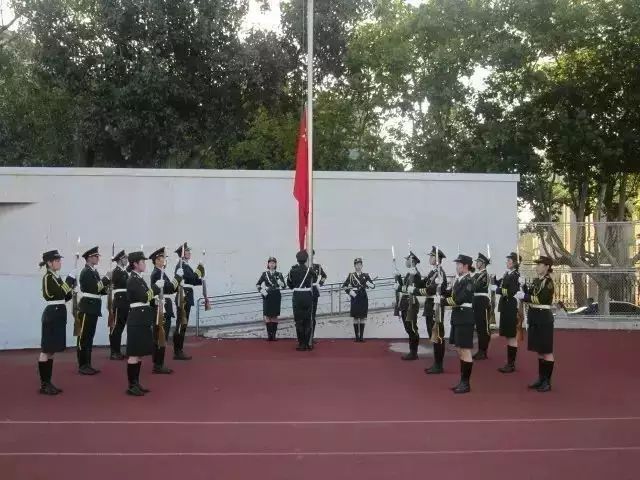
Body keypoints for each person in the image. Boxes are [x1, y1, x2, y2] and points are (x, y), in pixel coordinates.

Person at [38, 250, 76, 395]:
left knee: (52, 350)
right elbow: (55, 294)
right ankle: (44, 384)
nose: (60, 262)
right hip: (52, 314)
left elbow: (65, 296)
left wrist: (72, 287)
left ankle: (49, 382)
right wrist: (70, 280)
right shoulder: (48, 277)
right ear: (49, 262)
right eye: (57, 260)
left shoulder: (56, 277)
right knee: (46, 349)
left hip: (59, 313)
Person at [516, 256, 556, 392]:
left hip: (544, 318)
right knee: (539, 350)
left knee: (547, 351)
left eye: (539, 264)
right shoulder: (536, 281)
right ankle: (541, 378)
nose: (537, 267)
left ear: (546, 267)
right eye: (537, 264)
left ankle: (547, 382)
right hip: (535, 317)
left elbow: (541, 298)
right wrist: (523, 287)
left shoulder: (548, 282)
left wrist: (525, 297)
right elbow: (530, 294)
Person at [442, 254, 476, 394]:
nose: (456, 267)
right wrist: (441, 287)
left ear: (466, 266)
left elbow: (460, 299)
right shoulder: (458, 280)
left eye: (459, 264)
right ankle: (462, 380)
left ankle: (466, 383)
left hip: (465, 317)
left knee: (465, 350)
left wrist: (443, 301)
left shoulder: (469, 281)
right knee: (460, 350)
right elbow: (450, 294)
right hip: (458, 317)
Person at [411, 247, 447, 373]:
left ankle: (439, 365)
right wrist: (414, 273)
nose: (430, 258)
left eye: (432, 256)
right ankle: (436, 363)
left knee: (437, 336)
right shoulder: (432, 273)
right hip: (430, 305)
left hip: (435, 306)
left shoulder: (439, 273)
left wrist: (414, 291)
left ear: (437, 259)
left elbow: (430, 290)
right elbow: (421, 283)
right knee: (433, 335)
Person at [76, 246, 110, 375]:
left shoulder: (94, 271)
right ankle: (82, 364)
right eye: (96, 256)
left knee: (89, 337)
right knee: (83, 337)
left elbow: (100, 290)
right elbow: (94, 288)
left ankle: (88, 363)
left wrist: (107, 287)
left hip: (93, 307)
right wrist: (106, 279)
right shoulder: (86, 272)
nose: (98, 258)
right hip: (86, 307)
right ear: (89, 258)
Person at [149, 247, 184, 374]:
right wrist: (178, 277)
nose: (164, 260)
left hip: (164, 307)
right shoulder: (157, 273)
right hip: (161, 308)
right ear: (157, 260)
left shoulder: (160, 272)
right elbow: (169, 288)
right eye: (162, 258)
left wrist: (177, 280)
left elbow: (171, 288)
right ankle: (158, 364)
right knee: (161, 336)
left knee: (161, 336)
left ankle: (158, 363)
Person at [124, 251, 154, 396]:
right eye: (142, 261)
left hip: (142, 319)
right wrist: (155, 289)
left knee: (140, 353)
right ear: (135, 264)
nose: (144, 264)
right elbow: (144, 297)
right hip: (136, 319)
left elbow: (147, 296)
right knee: (134, 354)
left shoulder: (139, 279)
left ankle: (136, 383)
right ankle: (131, 385)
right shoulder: (132, 280)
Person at [173, 243, 205, 360]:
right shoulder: (181, 266)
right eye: (187, 251)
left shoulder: (186, 266)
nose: (189, 253)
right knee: (181, 324)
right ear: (182, 254)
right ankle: (177, 351)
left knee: (183, 324)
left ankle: (179, 350)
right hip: (183, 297)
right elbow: (191, 277)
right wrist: (199, 269)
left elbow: (193, 280)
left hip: (187, 295)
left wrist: (201, 279)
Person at [491, 252, 521, 373]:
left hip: (510, 306)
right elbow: (501, 284)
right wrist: (493, 279)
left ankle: (511, 364)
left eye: (509, 261)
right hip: (505, 306)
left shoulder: (515, 275)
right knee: (508, 335)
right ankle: (509, 363)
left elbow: (510, 291)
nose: (507, 262)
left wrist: (497, 289)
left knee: (511, 335)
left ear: (514, 263)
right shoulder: (507, 274)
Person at [286, 250, 318, 351]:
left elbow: (290, 284)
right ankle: (308, 344)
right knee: (307, 321)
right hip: (307, 295)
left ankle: (301, 344)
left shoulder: (292, 271)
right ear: (306, 259)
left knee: (298, 321)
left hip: (297, 296)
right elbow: (315, 280)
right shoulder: (310, 270)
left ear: (297, 259)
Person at [395, 251, 422, 360]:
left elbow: (414, 288)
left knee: (412, 328)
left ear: (412, 261)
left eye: (408, 260)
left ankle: (414, 352)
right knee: (408, 328)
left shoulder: (415, 274)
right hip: (405, 303)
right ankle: (412, 351)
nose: (406, 261)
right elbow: (403, 287)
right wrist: (398, 277)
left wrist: (401, 287)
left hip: (411, 303)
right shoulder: (409, 273)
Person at [342, 258, 375, 342]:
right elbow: (344, 286)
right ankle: (357, 337)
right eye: (356, 264)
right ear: (354, 266)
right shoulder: (351, 275)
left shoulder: (366, 275)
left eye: (360, 264)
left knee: (363, 317)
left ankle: (361, 337)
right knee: (356, 317)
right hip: (355, 297)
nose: (358, 266)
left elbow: (373, 286)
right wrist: (350, 292)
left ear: (362, 265)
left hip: (363, 297)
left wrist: (368, 284)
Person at [256, 257, 287, 341]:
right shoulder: (264, 274)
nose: (272, 264)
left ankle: (273, 335)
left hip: (276, 295)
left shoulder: (279, 274)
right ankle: (269, 335)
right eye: (270, 263)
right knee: (267, 315)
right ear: (268, 264)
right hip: (267, 295)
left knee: (274, 315)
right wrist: (262, 291)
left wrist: (281, 283)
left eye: (273, 263)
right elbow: (258, 284)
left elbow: (284, 287)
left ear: (276, 264)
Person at [109, 250, 129, 360]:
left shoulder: (124, 272)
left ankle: (117, 351)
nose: (126, 260)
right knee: (116, 327)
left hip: (125, 302)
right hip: (119, 302)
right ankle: (114, 351)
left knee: (120, 327)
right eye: (125, 258)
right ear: (120, 260)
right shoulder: (116, 272)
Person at [472, 252, 491, 360]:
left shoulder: (484, 274)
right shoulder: (477, 274)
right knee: (479, 328)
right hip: (476, 301)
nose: (476, 263)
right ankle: (480, 350)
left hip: (482, 301)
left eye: (478, 262)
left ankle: (483, 351)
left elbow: (476, 286)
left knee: (483, 327)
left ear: (483, 263)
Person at [310, 250, 327, 346]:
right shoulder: (303, 267)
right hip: (305, 291)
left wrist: (319, 284)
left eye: (311, 255)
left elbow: (324, 276)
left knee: (313, 315)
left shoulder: (317, 267)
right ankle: (305, 336)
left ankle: (311, 336)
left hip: (314, 292)